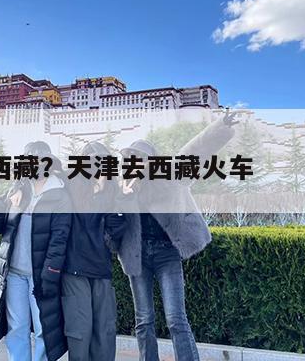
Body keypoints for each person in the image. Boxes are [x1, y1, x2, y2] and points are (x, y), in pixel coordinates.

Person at [117, 112, 238, 361]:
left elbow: (194, 151)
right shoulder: (124, 188)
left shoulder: (168, 177)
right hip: (138, 257)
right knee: (144, 320)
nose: (135, 163)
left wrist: (220, 126)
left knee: (175, 319)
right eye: (131, 159)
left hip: (166, 254)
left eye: (140, 158)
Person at [0, 141, 72, 361]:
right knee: (17, 327)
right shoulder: (18, 190)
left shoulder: (59, 194)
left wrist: (50, 272)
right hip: (14, 274)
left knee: (44, 330)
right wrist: (4, 203)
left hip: (41, 276)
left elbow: (60, 238)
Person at [62, 141, 127, 361]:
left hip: (101, 270)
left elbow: (117, 228)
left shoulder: (112, 190)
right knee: (80, 331)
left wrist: (112, 194)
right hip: (75, 270)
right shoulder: (72, 186)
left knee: (105, 332)